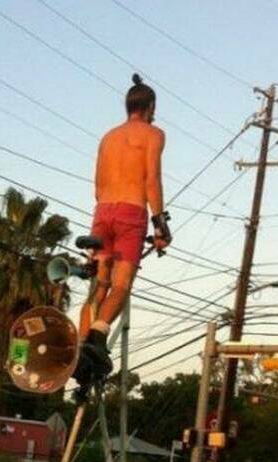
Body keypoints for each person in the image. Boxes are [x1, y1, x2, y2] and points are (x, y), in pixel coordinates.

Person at [75, 74, 172, 380]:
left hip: (102, 212)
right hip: (131, 212)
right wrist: (160, 225)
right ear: (150, 106)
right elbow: (152, 179)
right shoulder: (154, 134)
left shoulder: (108, 137)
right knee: (121, 285)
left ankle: (79, 347)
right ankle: (97, 338)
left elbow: (97, 186)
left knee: (100, 283)